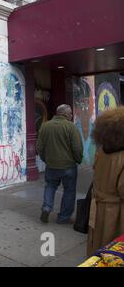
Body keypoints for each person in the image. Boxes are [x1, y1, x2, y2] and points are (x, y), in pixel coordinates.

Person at [37, 104, 83, 224]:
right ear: (66, 114)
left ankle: (47, 207)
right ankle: (64, 217)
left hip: (51, 165)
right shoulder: (71, 127)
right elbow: (77, 148)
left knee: (50, 186)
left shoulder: (45, 126)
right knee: (69, 191)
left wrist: (45, 159)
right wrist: (78, 159)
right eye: (70, 113)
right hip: (68, 166)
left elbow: (39, 147)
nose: (72, 115)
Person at [87, 106, 124, 256]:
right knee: (113, 251)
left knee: (97, 245)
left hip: (97, 208)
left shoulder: (101, 152)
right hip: (116, 213)